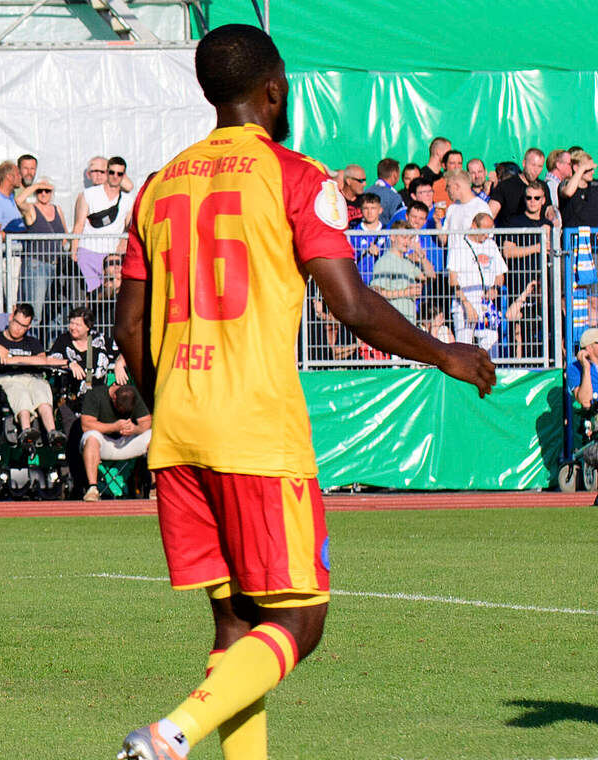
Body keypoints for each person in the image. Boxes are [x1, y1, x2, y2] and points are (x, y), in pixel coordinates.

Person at [113, 24, 495, 760]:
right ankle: (172, 733)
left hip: (180, 430)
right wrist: (443, 352)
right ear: (274, 90)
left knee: (234, 627)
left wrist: (170, 394)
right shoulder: (298, 177)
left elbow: (130, 326)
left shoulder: (158, 187)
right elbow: (349, 306)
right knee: (301, 621)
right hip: (254, 428)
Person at [0, 302, 66, 449]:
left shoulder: (32, 342)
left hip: (32, 378)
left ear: (28, 327)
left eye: (24, 326)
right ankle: (26, 430)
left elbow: (42, 359)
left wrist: (14, 359)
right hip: (8, 379)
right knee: (19, 391)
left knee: (41, 389)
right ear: (11, 318)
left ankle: (52, 432)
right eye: (17, 323)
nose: (18, 329)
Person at [500, 180, 550, 359]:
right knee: (518, 330)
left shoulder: (547, 225)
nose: (532, 201)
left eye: (537, 198)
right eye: (529, 197)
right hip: (520, 282)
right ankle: (519, 366)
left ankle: (542, 364)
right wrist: (537, 247)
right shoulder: (515, 222)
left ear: (543, 200)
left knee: (543, 327)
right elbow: (508, 251)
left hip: (541, 283)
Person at [78, 382, 150, 502]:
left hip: (127, 441)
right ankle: (92, 488)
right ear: (114, 398)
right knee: (91, 436)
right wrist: (114, 427)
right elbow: (86, 425)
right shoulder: (95, 394)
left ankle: (154, 487)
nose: (122, 413)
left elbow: (146, 421)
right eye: (120, 409)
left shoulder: (134, 393)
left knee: (153, 436)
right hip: (104, 442)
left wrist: (135, 429)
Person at [13, 176, 67, 333]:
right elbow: (19, 201)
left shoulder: (57, 210)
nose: (43, 193)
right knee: (35, 313)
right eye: (40, 191)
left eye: (47, 190)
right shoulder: (31, 209)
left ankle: (52, 348)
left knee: (54, 312)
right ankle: (32, 348)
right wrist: (35, 185)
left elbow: (64, 235)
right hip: (37, 264)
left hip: (55, 265)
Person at [447, 214, 507, 353]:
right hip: (464, 303)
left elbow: (500, 274)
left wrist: (494, 289)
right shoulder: (459, 246)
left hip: (485, 305)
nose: (487, 235)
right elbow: (453, 279)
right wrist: (466, 304)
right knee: (464, 346)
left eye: (490, 230)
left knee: (491, 341)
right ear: (474, 226)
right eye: (484, 230)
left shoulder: (491, 245)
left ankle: (487, 371)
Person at [72, 156, 132, 293]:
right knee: (89, 295)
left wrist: (122, 247)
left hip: (112, 256)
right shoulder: (88, 194)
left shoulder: (128, 200)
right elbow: (79, 224)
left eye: (119, 174)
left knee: (110, 296)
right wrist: (74, 251)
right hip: (87, 251)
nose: (115, 176)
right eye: (111, 172)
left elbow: (128, 229)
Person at [369, 221, 428, 322]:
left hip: (410, 320)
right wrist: (406, 292)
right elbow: (377, 292)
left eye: (410, 239)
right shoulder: (384, 261)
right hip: (392, 321)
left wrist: (421, 255)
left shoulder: (407, 262)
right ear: (392, 237)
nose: (407, 242)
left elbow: (429, 275)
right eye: (404, 237)